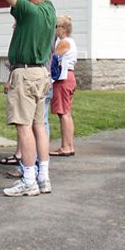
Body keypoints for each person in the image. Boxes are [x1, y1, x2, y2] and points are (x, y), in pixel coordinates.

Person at [0, 0, 57, 197]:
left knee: (24, 127)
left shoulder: (28, 10)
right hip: (42, 72)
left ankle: (29, 179)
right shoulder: (49, 10)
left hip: (25, 72)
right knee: (39, 126)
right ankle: (44, 177)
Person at [49, 14, 78, 157]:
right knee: (66, 112)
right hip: (70, 77)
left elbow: (52, 58)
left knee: (63, 113)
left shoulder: (64, 42)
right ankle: (68, 145)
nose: (54, 30)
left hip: (63, 79)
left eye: (56, 27)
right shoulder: (71, 42)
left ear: (62, 28)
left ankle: (66, 146)